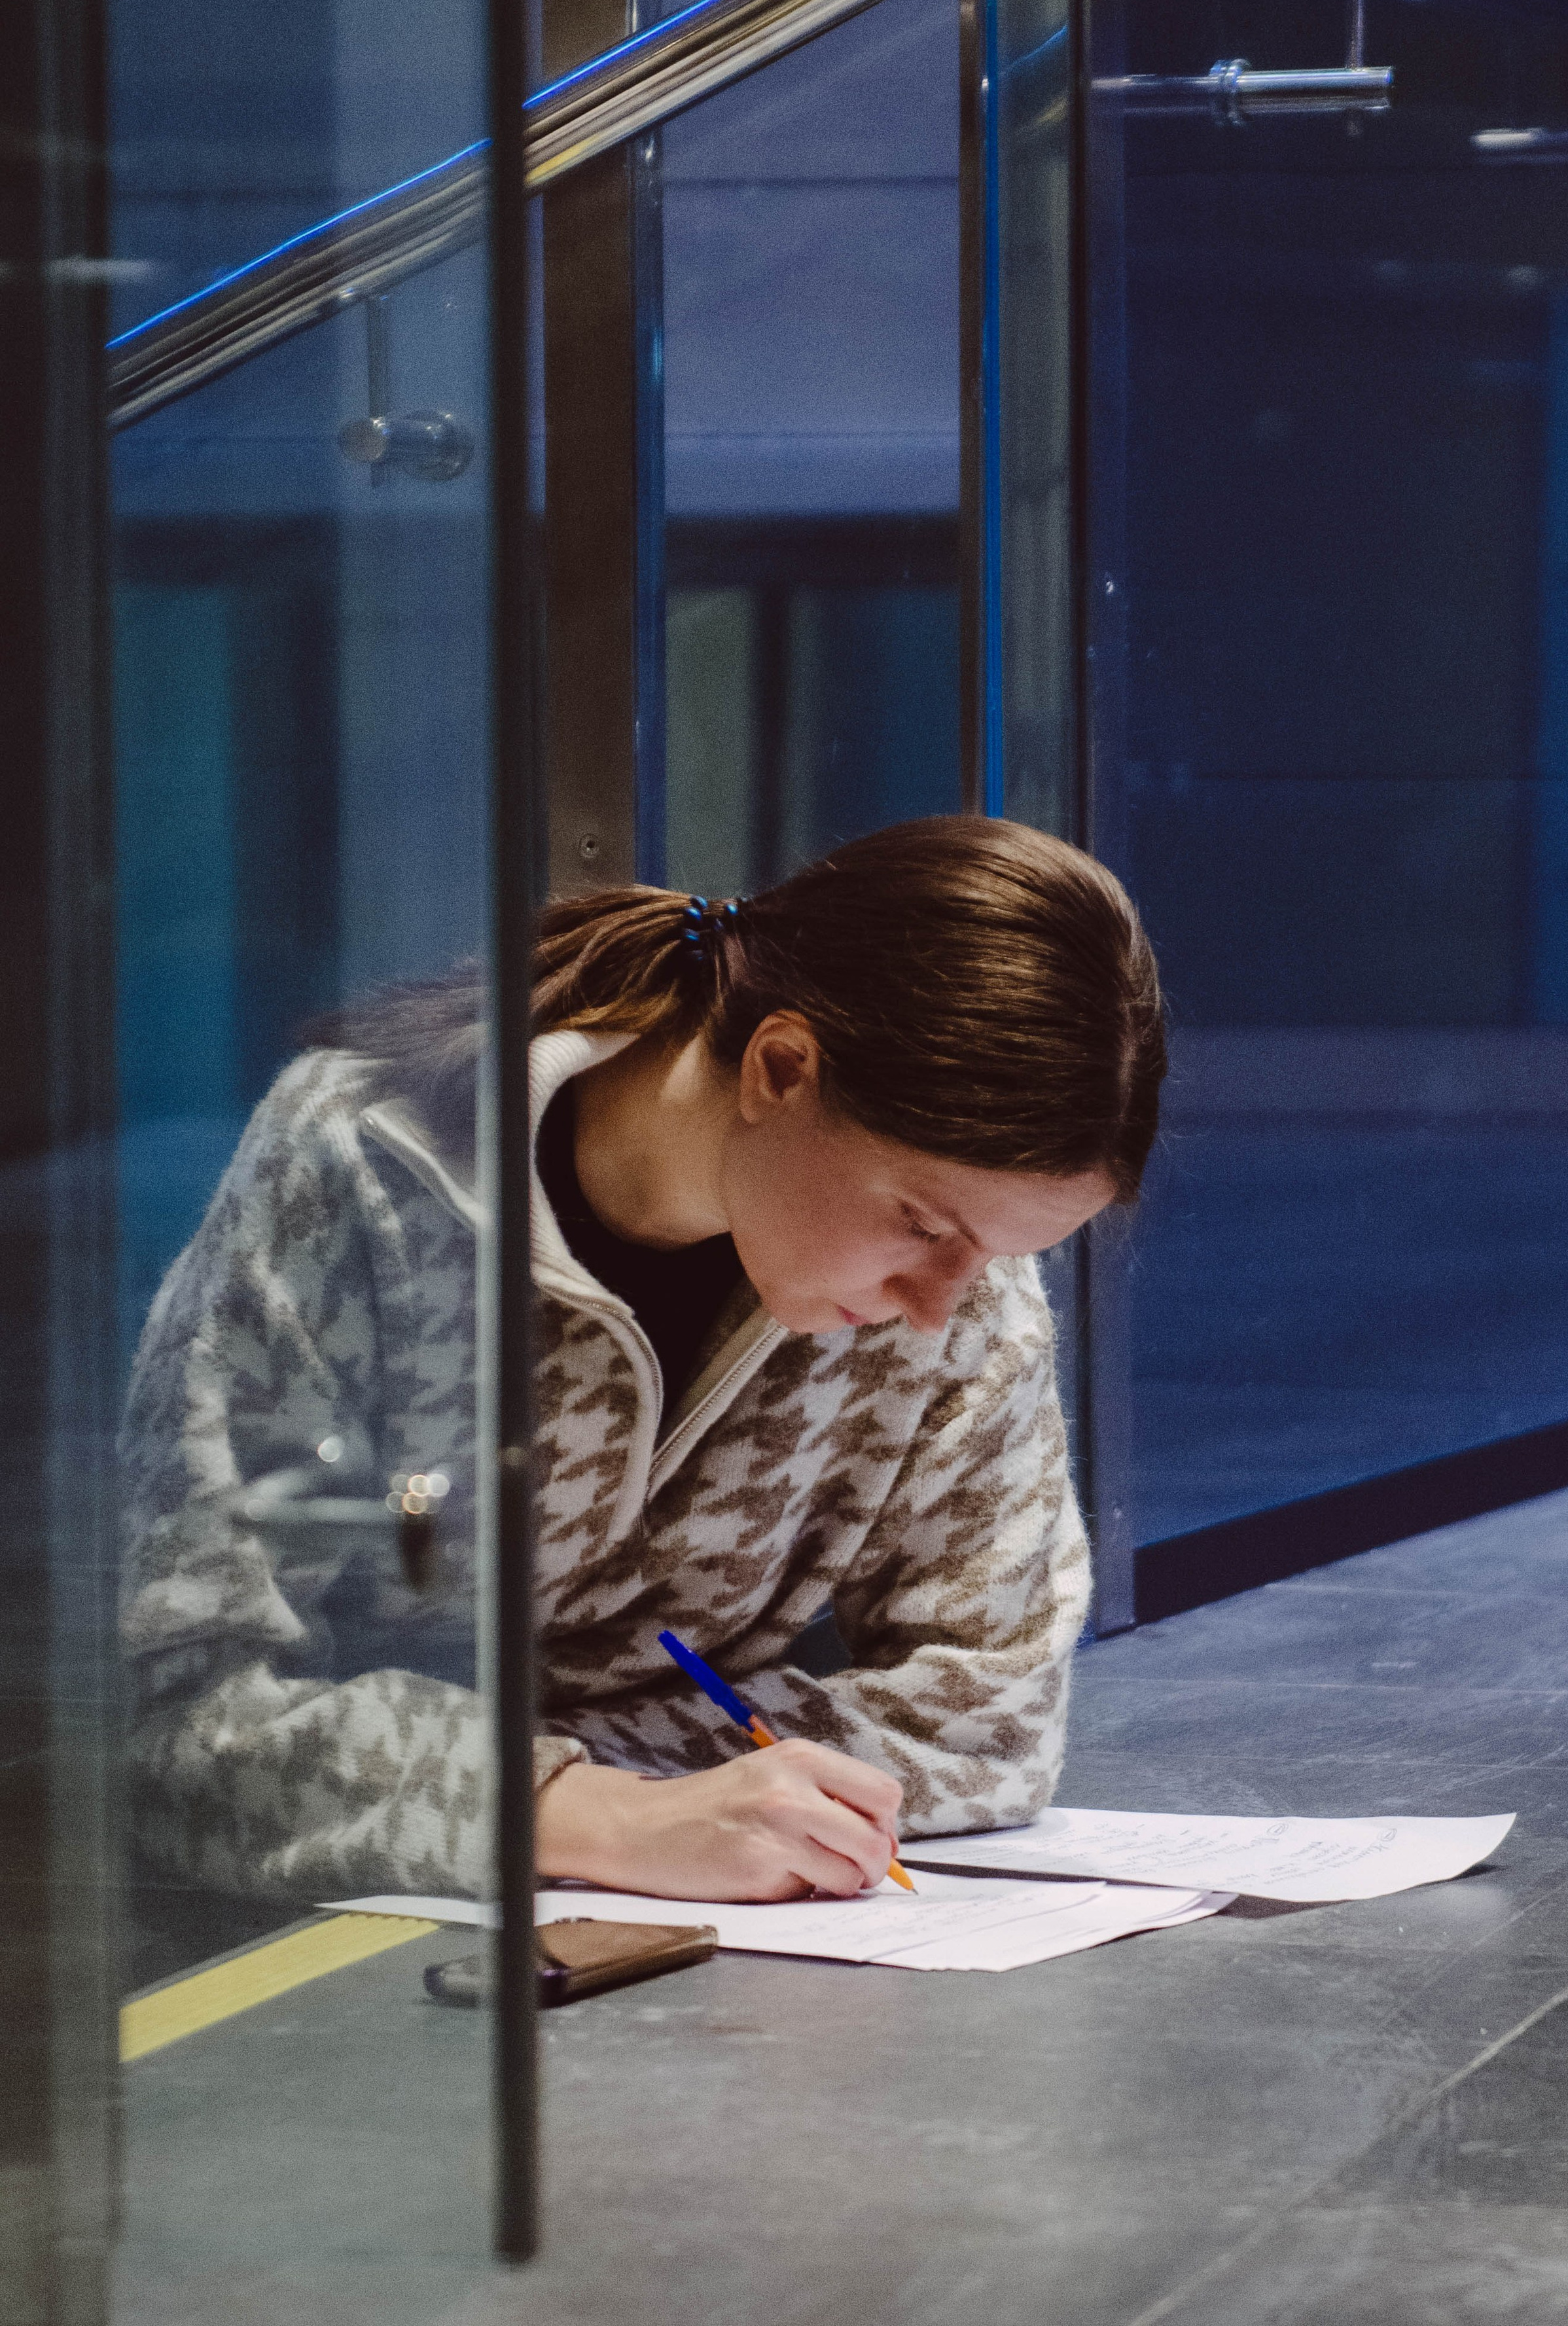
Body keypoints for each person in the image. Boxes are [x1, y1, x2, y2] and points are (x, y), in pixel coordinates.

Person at [120, 816, 1164, 1906]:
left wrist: (585, 1780)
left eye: (1001, 1252)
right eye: (920, 1223)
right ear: (781, 1066)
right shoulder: (365, 1168)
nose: (942, 1306)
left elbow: (994, 1721)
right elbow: (189, 1719)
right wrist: (596, 1813)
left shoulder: (959, 1281)